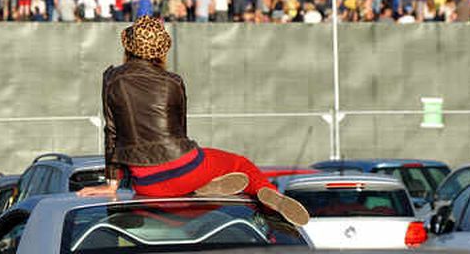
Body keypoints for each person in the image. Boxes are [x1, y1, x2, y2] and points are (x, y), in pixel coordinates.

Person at [79, 16, 309, 226]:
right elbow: (180, 131)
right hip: (187, 165)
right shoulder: (173, 82)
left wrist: (111, 184)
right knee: (242, 166)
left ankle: (204, 194)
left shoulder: (112, 79)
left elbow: (111, 132)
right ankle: (267, 201)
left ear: (128, 46)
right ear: (162, 51)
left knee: (176, 219)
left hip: (147, 184)